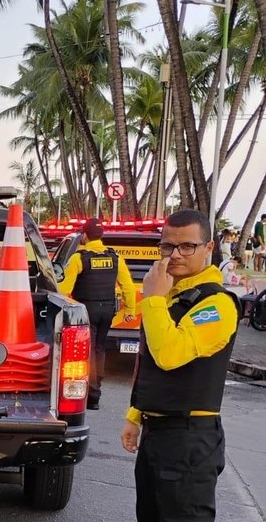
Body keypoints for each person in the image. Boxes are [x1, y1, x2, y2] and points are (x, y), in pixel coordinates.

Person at [120, 209, 241, 522]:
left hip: (189, 439)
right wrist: (135, 415)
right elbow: (149, 362)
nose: (175, 255)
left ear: (209, 249)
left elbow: (170, 355)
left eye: (187, 246)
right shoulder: (172, 298)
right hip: (156, 433)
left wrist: (153, 300)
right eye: (167, 247)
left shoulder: (216, 304)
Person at [59, 218, 136, 410]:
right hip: (107, 310)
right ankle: (96, 388)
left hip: (87, 310)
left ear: (84, 236)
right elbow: (127, 286)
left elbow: (64, 289)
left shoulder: (79, 258)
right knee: (99, 348)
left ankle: (92, 395)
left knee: (88, 352)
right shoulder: (115, 258)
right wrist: (130, 310)